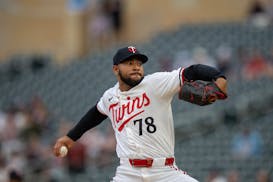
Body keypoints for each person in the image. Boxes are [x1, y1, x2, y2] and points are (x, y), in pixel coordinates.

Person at [53, 46, 227, 182]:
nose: (136, 67)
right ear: (115, 69)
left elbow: (193, 70)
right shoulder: (110, 96)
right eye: (129, 63)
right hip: (128, 173)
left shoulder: (156, 83)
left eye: (139, 63)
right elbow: (95, 114)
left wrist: (219, 77)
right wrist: (71, 137)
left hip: (164, 171)